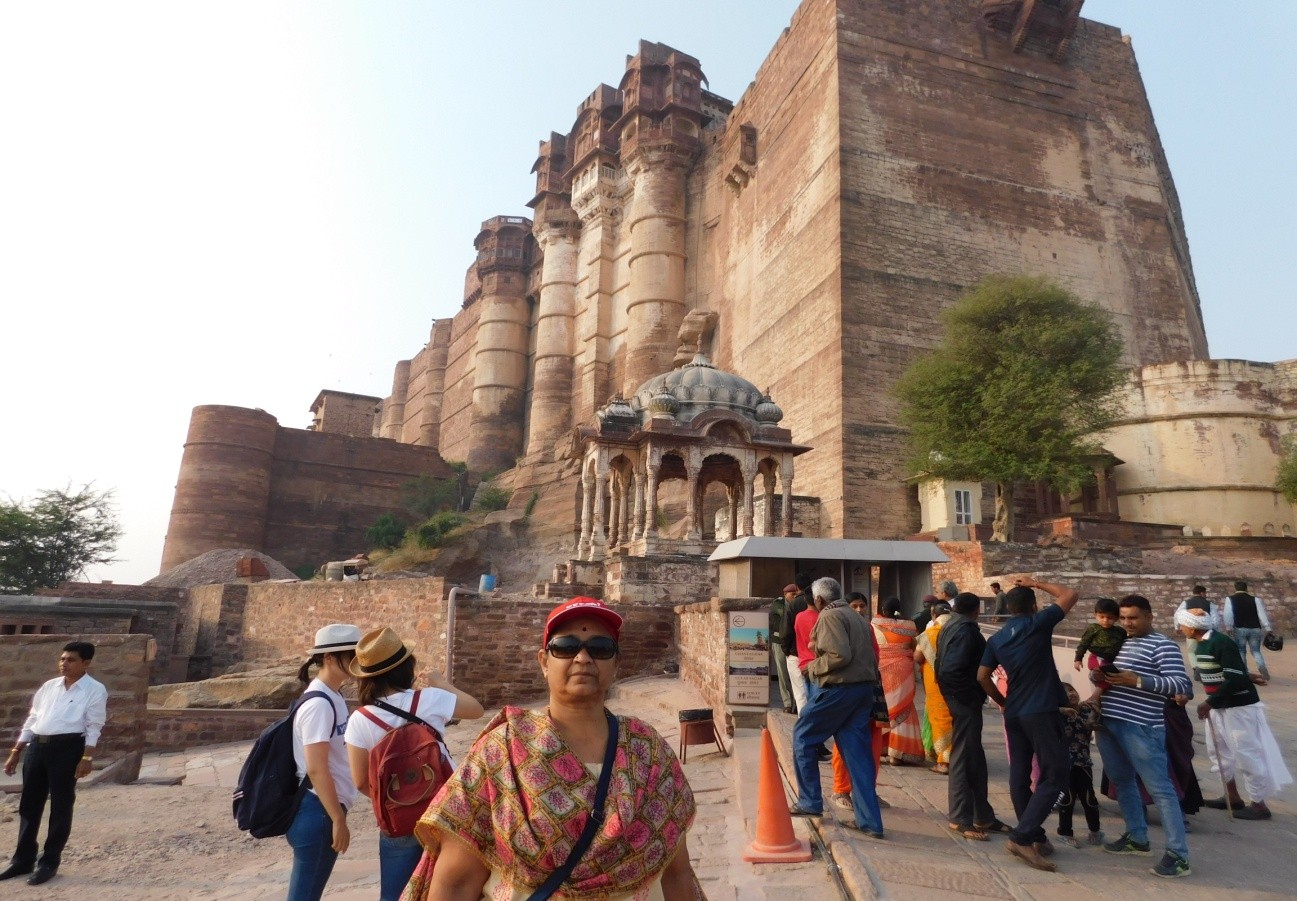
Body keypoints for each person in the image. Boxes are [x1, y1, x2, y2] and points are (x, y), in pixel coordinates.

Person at [406, 597, 700, 899]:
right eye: (566, 646)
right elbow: (455, 883)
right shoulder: (500, 754)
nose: (583, 658)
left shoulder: (648, 752)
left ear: (616, 664)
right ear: (544, 662)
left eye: (599, 648)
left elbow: (677, 873)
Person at [344, 627, 484, 901]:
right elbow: (476, 709)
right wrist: (440, 682)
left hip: (399, 818)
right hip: (445, 810)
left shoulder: (360, 719)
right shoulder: (429, 700)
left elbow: (360, 780)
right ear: (406, 667)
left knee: (396, 894)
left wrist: (400, 797)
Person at [977, 576, 1079, 873]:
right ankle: (1022, 837)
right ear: (1033, 606)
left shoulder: (996, 638)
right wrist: (1038, 582)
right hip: (1041, 710)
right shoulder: (1037, 623)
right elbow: (1070, 593)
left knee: (1020, 776)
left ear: (1008, 609)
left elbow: (983, 676)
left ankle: (1033, 835)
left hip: (1015, 712)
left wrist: (1003, 702)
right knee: (1056, 773)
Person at [1093, 595, 1193, 879]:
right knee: (1122, 781)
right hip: (1111, 722)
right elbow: (1117, 679)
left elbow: (1181, 684)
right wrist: (1102, 678)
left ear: (1149, 616)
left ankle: (1178, 854)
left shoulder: (1164, 645)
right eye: (1123, 617)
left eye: (1133, 618)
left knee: (1161, 789)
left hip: (1141, 726)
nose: (1126, 623)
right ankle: (1137, 837)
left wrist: (1136, 680)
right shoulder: (1122, 641)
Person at [1, 641, 108, 886]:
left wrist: (87, 757)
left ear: (86, 663)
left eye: (71, 660)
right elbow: (33, 717)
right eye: (62, 659)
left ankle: (49, 861)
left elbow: (94, 725)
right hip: (37, 747)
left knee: (60, 805)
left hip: (68, 748)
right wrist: (17, 749)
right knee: (29, 804)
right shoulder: (49, 687)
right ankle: (22, 859)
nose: (64, 664)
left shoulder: (94, 690)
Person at [787, 578, 885, 838]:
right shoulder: (857, 618)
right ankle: (870, 821)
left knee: (803, 737)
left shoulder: (830, 616)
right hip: (862, 689)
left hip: (839, 689)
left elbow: (839, 655)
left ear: (819, 600)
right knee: (858, 755)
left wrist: (812, 667)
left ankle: (810, 802)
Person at [1178, 607, 1292, 820]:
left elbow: (1234, 677)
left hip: (1238, 706)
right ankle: (1232, 797)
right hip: (1220, 705)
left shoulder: (1220, 642)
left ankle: (1259, 804)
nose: (1180, 628)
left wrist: (1209, 702)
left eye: (1183, 624)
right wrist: (1246, 676)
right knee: (1219, 752)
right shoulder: (1201, 644)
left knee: (1245, 753)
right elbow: (1229, 671)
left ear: (1192, 627)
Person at [286, 623, 361, 901]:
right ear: (329, 658)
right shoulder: (319, 704)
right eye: (351, 656)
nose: (357, 662)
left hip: (323, 808)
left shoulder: (334, 696)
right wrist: (338, 819)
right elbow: (316, 768)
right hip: (318, 809)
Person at [937, 592, 1005, 841]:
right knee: (963, 757)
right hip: (963, 700)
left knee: (975, 757)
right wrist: (966, 697)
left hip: (960, 699)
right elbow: (950, 669)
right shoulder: (965, 631)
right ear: (976, 610)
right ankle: (959, 817)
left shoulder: (952, 625)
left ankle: (982, 815)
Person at [871, 597, 925, 766]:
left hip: (883, 670)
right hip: (904, 671)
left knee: (886, 707)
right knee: (904, 707)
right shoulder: (909, 626)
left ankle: (882, 748)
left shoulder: (874, 624)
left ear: (882, 609)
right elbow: (914, 647)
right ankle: (897, 753)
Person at [1055, 684, 1103, 848]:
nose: (1071, 694)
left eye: (1072, 690)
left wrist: (1094, 716)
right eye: (1065, 693)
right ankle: (1065, 832)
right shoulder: (1059, 715)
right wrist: (1061, 710)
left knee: (1089, 799)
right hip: (1065, 766)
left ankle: (1095, 830)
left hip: (1083, 764)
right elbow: (1046, 715)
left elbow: (1094, 724)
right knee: (1067, 800)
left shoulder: (1085, 711)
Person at [915, 602, 953, 774]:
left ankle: (944, 761)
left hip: (934, 681)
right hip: (956, 681)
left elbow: (917, 657)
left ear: (933, 615)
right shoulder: (959, 630)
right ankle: (955, 756)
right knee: (952, 717)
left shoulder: (928, 634)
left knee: (939, 717)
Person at [1221, 580, 1273, 683]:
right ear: (1246, 589)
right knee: (1256, 651)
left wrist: (1228, 627)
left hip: (1240, 628)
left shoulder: (1230, 599)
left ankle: (1243, 672)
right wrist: (1267, 627)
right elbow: (1261, 614)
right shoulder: (1255, 599)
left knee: (1241, 651)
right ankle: (1262, 669)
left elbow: (1228, 614)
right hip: (1255, 628)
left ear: (1235, 589)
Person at [779, 574, 814, 714]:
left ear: (797, 587)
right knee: (814, 691)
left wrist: (787, 650)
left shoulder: (793, 605)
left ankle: (804, 723)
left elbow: (785, 632)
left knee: (800, 692)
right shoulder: (819, 604)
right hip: (815, 654)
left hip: (795, 653)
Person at [1073, 597, 1125, 672]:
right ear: (1095, 615)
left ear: (1116, 618)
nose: (1105, 620)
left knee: (1112, 679)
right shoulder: (1093, 628)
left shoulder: (1120, 631)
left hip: (1113, 660)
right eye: (1102, 617)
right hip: (1097, 657)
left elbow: (1125, 643)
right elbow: (1083, 644)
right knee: (1101, 676)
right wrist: (1078, 659)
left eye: (1109, 618)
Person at [1175, 586, 1216, 680]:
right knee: (1207, 649)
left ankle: (1196, 667)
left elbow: (1178, 615)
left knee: (1191, 651)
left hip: (1191, 630)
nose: (1205, 595)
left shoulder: (1186, 603)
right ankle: (1206, 668)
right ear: (1202, 593)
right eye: (1205, 593)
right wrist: (1213, 629)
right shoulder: (1209, 604)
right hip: (1206, 631)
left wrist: (1177, 627)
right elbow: (1215, 619)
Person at [770, 585, 796, 713]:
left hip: (792, 642)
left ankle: (796, 703)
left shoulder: (795, 604)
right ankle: (787, 703)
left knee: (794, 674)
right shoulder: (778, 603)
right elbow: (782, 612)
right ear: (785, 594)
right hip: (779, 642)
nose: (795, 597)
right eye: (792, 594)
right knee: (782, 673)